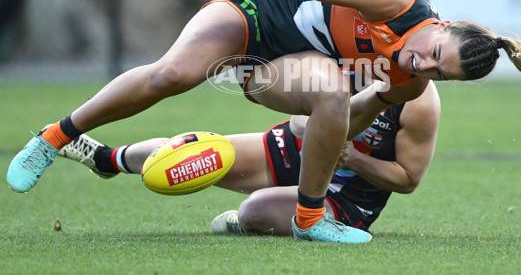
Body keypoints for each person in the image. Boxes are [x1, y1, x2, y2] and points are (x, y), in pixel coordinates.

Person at [7, 0, 521, 243]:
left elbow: (354, 114)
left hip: (280, 72)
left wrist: (340, 131)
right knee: (170, 75)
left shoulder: (413, 87)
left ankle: (311, 220)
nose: (421, 66)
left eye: (435, 71)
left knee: (337, 94)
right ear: (440, 25)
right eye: (430, 52)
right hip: (256, 14)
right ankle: (55, 137)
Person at [57, 80, 440, 238]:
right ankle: (108, 159)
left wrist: (354, 158)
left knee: (254, 210)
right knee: (196, 151)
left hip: (347, 198)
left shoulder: (419, 100)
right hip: (294, 150)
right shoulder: (347, 54)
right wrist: (311, 127)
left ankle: (246, 222)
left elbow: (408, 178)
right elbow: (299, 115)